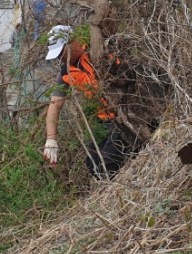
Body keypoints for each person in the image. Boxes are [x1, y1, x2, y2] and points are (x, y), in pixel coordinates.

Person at [42, 23, 134, 179]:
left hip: (125, 112)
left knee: (109, 162)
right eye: (57, 56)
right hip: (104, 119)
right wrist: (51, 140)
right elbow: (54, 107)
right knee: (92, 163)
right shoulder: (66, 72)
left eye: (61, 52)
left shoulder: (97, 49)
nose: (60, 58)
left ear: (72, 41)